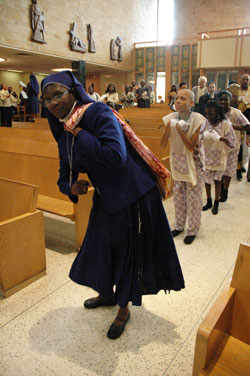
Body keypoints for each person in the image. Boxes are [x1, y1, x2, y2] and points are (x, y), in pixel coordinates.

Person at [41, 70, 185, 339]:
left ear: (73, 92)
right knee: (99, 247)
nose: (53, 103)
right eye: (47, 100)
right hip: (108, 195)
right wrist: (70, 187)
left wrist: (80, 133)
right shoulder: (64, 130)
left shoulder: (97, 113)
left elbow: (116, 156)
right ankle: (107, 294)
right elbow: (64, 175)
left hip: (134, 191)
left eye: (58, 95)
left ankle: (123, 308)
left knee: (128, 251)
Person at [161, 89, 206, 244]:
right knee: (179, 196)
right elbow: (162, 145)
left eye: (183, 98)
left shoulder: (198, 119)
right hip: (178, 163)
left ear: (191, 103)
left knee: (193, 198)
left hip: (194, 163)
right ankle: (179, 226)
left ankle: (192, 230)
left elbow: (191, 146)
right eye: (177, 98)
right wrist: (168, 127)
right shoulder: (171, 117)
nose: (178, 101)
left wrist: (179, 130)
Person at [202, 101, 236, 215]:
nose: (208, 116)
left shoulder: (225, 124)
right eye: (207, 114)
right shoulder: (205, 123)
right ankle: (209, 200)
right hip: (207, 156)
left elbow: (232, 141)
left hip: (220, 157)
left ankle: (216, 202)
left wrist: (222, 139)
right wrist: (204, 136)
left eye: (211, 114)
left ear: (217, 113)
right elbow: (197, 136)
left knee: (217, 180)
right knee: (206, 181)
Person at [218, 90, 250, 202]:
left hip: (233, 146)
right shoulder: (216, 112)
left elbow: (247, 126)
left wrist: (233, 127)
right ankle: (220, 190)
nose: (223, 102)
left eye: (225, 99)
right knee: (220, 170)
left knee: (229, 170)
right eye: (221, 99)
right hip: (219, 147)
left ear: (230, 100)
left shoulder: (236, 113)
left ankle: (225, 191)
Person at [237, 73, 250, 182]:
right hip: (237, 122)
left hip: (247, 122)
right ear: (240, 80)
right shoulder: (236, 91)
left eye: (247, 79)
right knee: (238, 146)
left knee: (245, 146)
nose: (245, 81)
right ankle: (237, 167)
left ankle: (242, 165)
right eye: (244, 79)